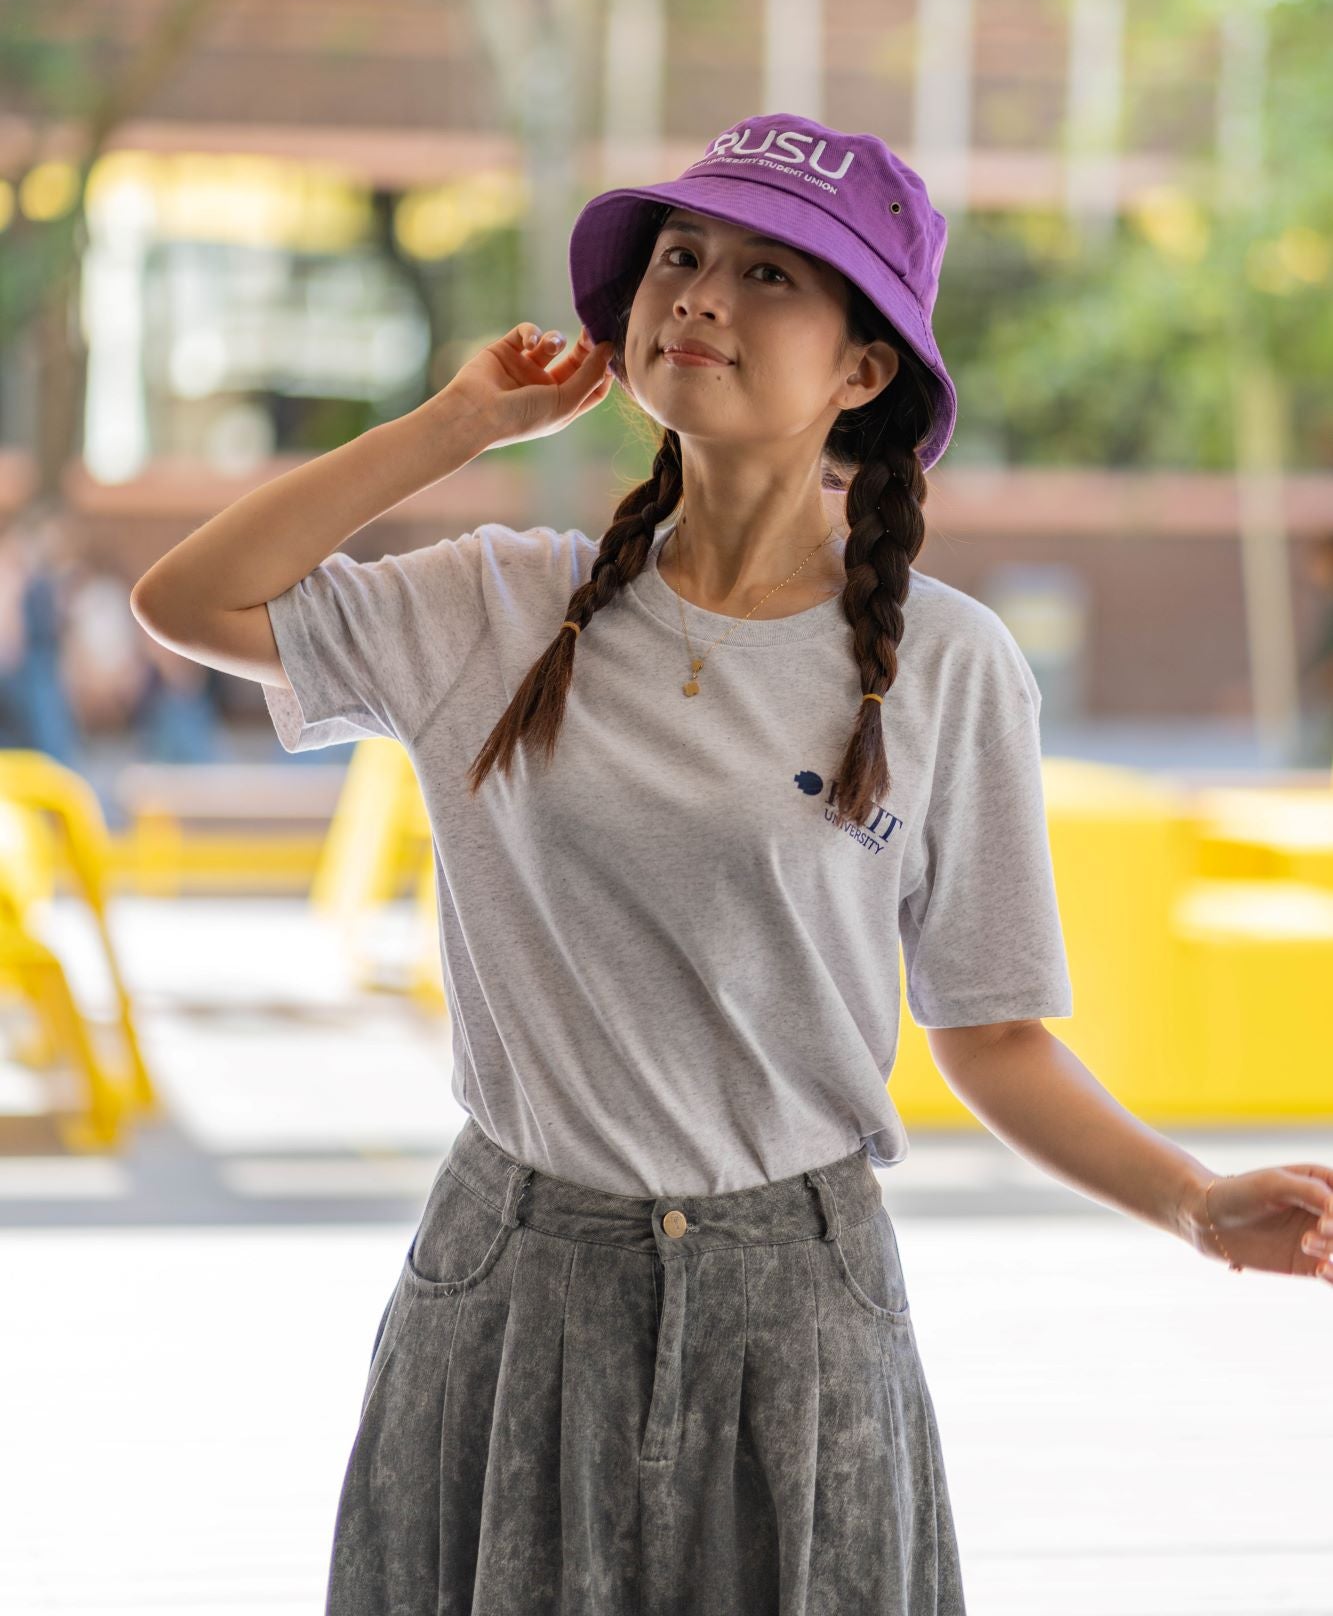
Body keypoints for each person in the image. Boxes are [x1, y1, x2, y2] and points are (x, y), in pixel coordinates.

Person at [131, 113, 1333, 1616]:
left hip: (799, 1307)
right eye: (680, 259)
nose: (698, 293)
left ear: (860, 370)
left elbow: (994, 1034)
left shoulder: (948, 666)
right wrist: (453, 428)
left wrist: (1191, 1203)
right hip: (510, 1289)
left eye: (771, 275)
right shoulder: (493, 606)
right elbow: (189, 600)